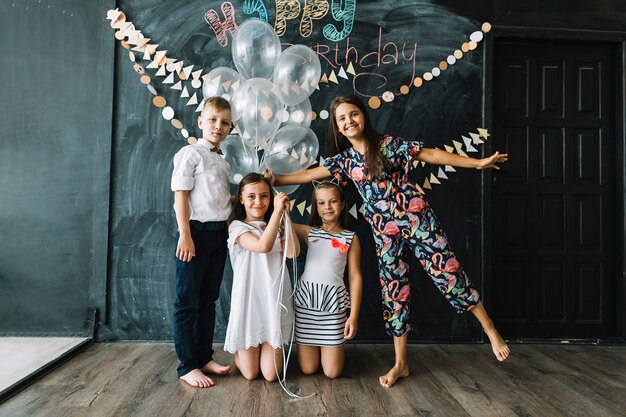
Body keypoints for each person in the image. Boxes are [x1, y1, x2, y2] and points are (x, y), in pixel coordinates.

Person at [269, 94, 510, 388]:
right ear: (337, 127)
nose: (349, 121)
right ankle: (400, 364)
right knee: (395, 292)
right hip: (384, 232)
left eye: (353, 114)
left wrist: (478, 163)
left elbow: (429, 154)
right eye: (342, 118)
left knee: (448, 273)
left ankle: (490, 329)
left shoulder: (388, 145)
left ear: (363, 117)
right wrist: (276, 181)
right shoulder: (345, 161)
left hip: (418, 221)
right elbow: (310, 174)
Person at [170, 96, 233, 388]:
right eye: (212, 120)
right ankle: (187, 365)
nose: (218, 126)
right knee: (188, 302)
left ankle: (204, 356)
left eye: (224, 122)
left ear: (230, 127)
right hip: (194, 233)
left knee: (208, 300)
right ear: (201, 121)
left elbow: (218, 200)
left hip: (219, 235)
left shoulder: (221, 160)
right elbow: (181, 195)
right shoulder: (190, 153)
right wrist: (185, 234)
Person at [224, 172, 300, 381]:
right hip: (249, 301)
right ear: (241, 198)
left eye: (264, 196)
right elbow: (262, 245)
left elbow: (293, 252)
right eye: (251, 196)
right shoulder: (237, 227)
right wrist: (276, 212)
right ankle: (239, 353)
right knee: (250, 374)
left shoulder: (277, 222)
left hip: (273, 299)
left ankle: (263, 351)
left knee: (270, 375)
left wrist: (285, 215)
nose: (258, 202)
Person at [291, 180, 363, 378]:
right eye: (321, 203)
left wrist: (353, 316)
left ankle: (332, 349)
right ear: (316, 207)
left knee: (332, 373)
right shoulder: (309, 232)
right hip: (306, 303)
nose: (327, 207)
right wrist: (281, 205)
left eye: (332, 202)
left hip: (333, 306)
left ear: (342, 204)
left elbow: (355, 277)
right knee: (308, 369)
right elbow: (282, 223)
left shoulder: (350, 238)